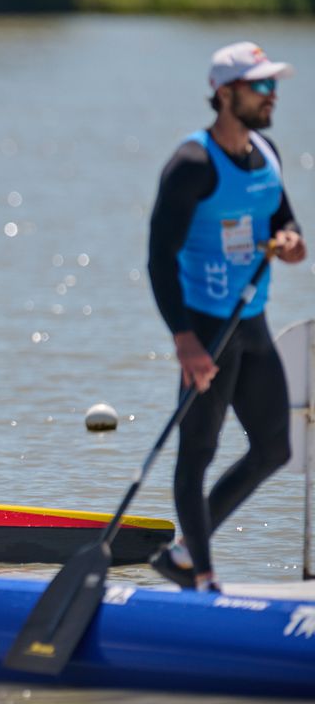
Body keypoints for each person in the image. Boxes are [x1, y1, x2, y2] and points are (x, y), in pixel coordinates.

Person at [146, 41, 306, 593]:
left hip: (252, 324)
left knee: (274, 449)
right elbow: (158, 259)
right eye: (261, 86)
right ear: (225, 93)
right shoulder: (191, 164)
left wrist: (289, 242)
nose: (272, 96)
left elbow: (287, 222)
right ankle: (203, 580)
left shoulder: (267, 152)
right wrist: (184, 340)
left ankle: (187, 554)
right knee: (198, 453)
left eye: (273, 85)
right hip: (206, 329)